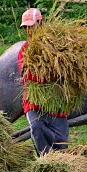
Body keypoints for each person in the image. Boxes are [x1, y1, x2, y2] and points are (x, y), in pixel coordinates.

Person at [17, 8, 69, 156]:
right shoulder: (25, 49)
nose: (28, 30)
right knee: (37, 128)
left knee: (61, 142)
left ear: (40, 23)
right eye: (25, 27)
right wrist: (49, 77)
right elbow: (26, 73)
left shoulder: (56, 47)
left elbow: (66, 70)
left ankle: (59, 162)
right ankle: (45, 162)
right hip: (34, 102)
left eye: (31, 26)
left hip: (57, 103)